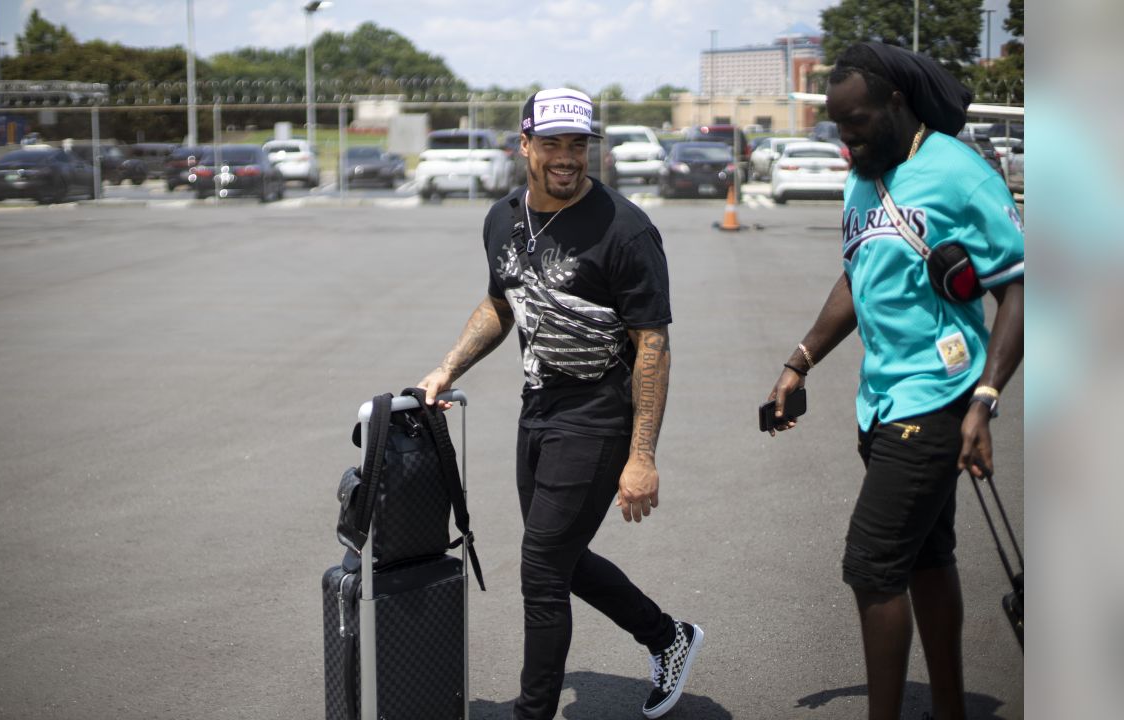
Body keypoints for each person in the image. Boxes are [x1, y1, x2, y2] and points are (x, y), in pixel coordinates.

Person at [418, 87, 702, 720]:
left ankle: (533, 713)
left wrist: (642, 456)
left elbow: (652, 345)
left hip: (599, 415)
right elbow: (502, 302)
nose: (568, 157)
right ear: (526, 146)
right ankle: (667, 636)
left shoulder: (625, 230)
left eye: (579, 144)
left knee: (542, 573)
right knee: (561, 559)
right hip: (538, 408)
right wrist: (447, 366)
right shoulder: (501, 218)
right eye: (552, 144)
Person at [764, 43, 1024, 720]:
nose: (846, 142)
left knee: (872, 564)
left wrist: (986, 401)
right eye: (837, 129)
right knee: (927, 559)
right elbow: (860, 276)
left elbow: (1021, 289)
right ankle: (948, 709)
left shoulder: (961, 175)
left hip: (938, 401)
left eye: (856, 125)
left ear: (897, 105)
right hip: (879, 402)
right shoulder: (865, 176)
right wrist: (800, 359)